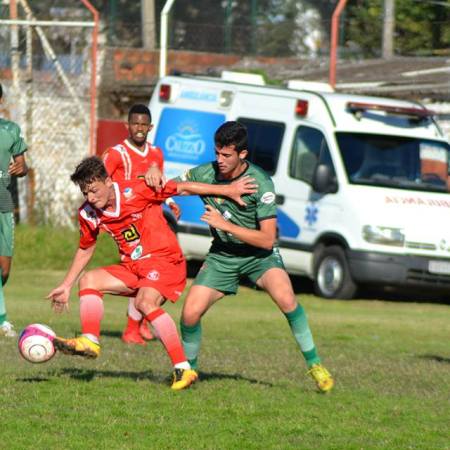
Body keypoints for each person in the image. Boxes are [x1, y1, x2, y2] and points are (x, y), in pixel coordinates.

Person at [46, 156, 256, 391]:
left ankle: (183, 368)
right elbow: (86, 248)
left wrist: (228, 190)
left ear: (108, 181)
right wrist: (66, 285)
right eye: (86, 193)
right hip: (134, 267)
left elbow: (183, 188)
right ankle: (90, 341)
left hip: (164, 260)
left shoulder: (137, 189)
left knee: (144, 302)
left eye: (94, 190)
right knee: (89, 280)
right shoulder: (88, 213)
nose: (91, 198)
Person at [177, 121, 334, 392]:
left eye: (226, 155)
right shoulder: (208, 172)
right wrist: (222, 190)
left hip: (259, 256)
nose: (220, 160)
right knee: (190, 314)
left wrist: (225, 225)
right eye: (217, 153)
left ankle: (315, 365)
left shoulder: (260, 183)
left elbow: (267, 239)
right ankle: (188, 371)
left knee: (287, 300)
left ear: (243, 154)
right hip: (223, 255)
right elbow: (173, 186)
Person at [102, 103, 181, 345]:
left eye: (143, 124)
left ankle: (141, 323)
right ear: (127, 125)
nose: (139, 128)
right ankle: (131, 329)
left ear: (150, 127)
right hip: (129, 223)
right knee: (142, 269)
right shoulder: (116, 154)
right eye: (135, 123)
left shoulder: (156, 153)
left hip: (153, 219)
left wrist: (169, 200)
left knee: (152, 271)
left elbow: (158, 184)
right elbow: (100, 183)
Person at [0, 83, 28, 337]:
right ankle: (2, 320)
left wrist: (21, 168)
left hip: (4, 204)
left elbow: (22, 165)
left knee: (4, 269)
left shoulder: (10, 130)